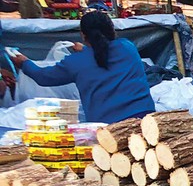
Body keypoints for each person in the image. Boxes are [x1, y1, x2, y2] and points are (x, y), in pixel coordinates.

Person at [10, 10, 155, 124]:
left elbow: (43, 77)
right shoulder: (127, 47)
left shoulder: (76, 63)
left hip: (108, 128)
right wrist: (86, 51)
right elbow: (101, 57)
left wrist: (24, 63)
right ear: (112, 30)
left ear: (83, 35)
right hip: (145, 119)